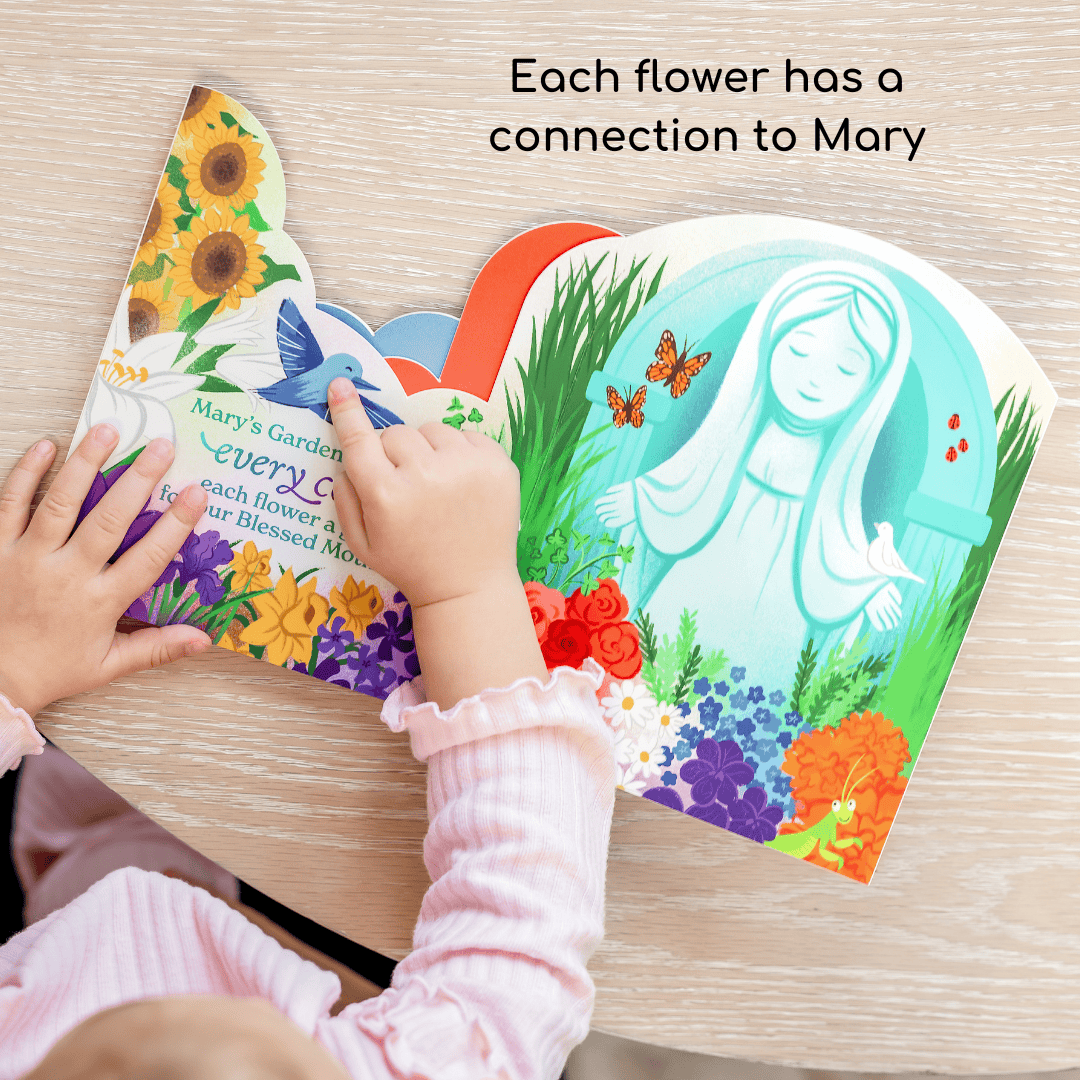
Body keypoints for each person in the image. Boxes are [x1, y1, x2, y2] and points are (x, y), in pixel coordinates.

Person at [0, 376, 616, 1080]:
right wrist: (467, 587)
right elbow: (519, 956)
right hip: (296, 885)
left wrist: (11, 669)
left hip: (74, 875)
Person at [595, 261, 913, 691]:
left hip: (779, 607)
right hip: (702, 575)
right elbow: (693, 475)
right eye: (799, 351)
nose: (814, 379)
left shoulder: (833, 472)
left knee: (749, 697)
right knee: (660, 666)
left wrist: (864, 587)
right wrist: (642, 499)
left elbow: (835, 538)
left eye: (846, 370)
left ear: (870, 389)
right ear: (768, 346)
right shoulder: (737, 430)